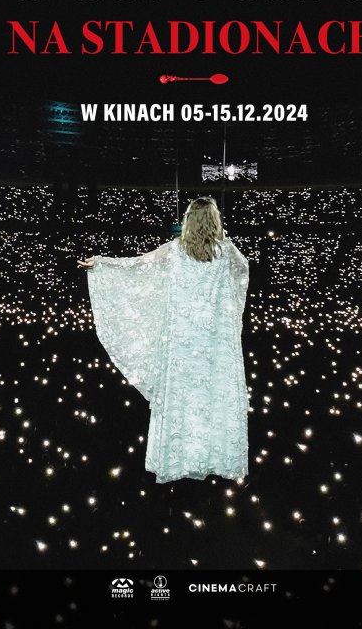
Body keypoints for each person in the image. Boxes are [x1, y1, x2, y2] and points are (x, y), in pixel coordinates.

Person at [77, 196, 249, 484]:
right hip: (213, 342)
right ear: (214, 221)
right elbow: (242, 272)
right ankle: (213, 455)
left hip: (182, 341)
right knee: (211, 397)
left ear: (189, 221)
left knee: (184, 397)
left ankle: (179, 457)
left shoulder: (175, 250)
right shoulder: (226, 252)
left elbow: (137, 266)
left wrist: (101, 264)